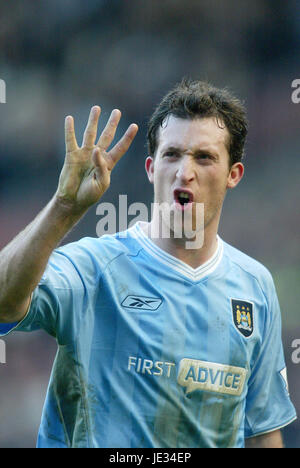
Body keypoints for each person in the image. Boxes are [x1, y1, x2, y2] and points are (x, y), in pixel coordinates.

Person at [0, 79, 296, 448]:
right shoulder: (96, 267)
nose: (184, 171)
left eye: (203, 157)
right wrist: (63, 207)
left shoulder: (255, 286)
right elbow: (3, 301)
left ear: (233, 174)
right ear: (151, 168)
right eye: (172, 154)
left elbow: (263, 432)